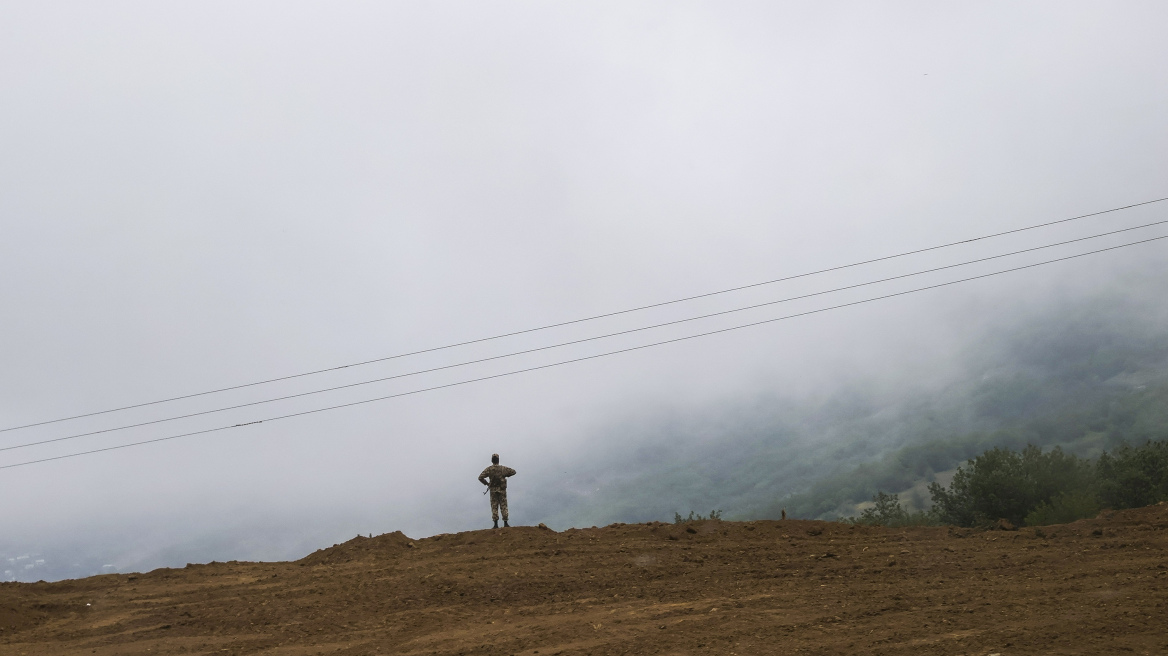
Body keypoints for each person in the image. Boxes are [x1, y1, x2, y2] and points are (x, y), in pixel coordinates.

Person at [478, 453, 516, 528]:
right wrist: (505, 476)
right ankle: (505, 523)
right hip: (502, 490)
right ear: (498, 460)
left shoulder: (489, 469)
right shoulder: (503, 469)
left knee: (494, 506)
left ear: (492, 460)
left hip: (493, 490)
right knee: (503, 505)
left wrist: (487, 483)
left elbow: (480, 477)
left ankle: (495, 524)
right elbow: (513, 472)